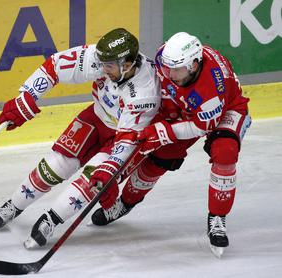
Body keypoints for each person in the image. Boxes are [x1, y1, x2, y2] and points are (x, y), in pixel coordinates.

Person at [0, 28, 161, 248]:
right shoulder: (105, 59)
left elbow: (127, 139)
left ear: (126, 65)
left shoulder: (146, 92)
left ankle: (51, 219)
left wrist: (111, 170)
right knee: (54, 165)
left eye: (109, 66)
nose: (103, 68)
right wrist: (27, 96)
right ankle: (14, 205)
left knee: (91, 181)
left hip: (124, 138)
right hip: (96, 117)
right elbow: (55, 66)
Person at [89, 32, 251, 257]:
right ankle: (126, 203)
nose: (170, 74)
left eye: (176, 70)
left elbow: (202, 125)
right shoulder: (168, 57)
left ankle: (217, 217)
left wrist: (163, 131)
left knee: (225, 153)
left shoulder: (210, 89)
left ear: (194, 65)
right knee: (160, 157)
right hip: (185, 108)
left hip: (223, 111)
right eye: (167, 68)